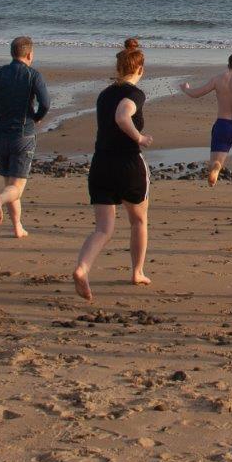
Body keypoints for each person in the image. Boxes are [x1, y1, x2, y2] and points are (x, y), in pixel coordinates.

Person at [72, 43, 153, 301]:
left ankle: (82, 267)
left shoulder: (104, 94)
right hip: (128, 165)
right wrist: (139, 137)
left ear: (118, 68)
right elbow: (122, 116)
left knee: (103, 229)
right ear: (140, 68)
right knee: (138, 220)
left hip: (101, 165)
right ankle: (137, 272)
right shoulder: (135, 94)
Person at [0, 36, 51, 238]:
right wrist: (37, 117)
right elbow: (45, 103)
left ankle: (17, 227)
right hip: (23, 135)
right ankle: (0, 200)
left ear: (12, 53)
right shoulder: (33, 75)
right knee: (16, 188)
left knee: (10, 185)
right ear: (30, 54)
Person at [179, 53, 232, 208]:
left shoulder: (218, 79)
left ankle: (215, 170)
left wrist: (186, 89)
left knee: (216, 161)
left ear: (228, 65)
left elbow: (196, 94)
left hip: (222, 125)